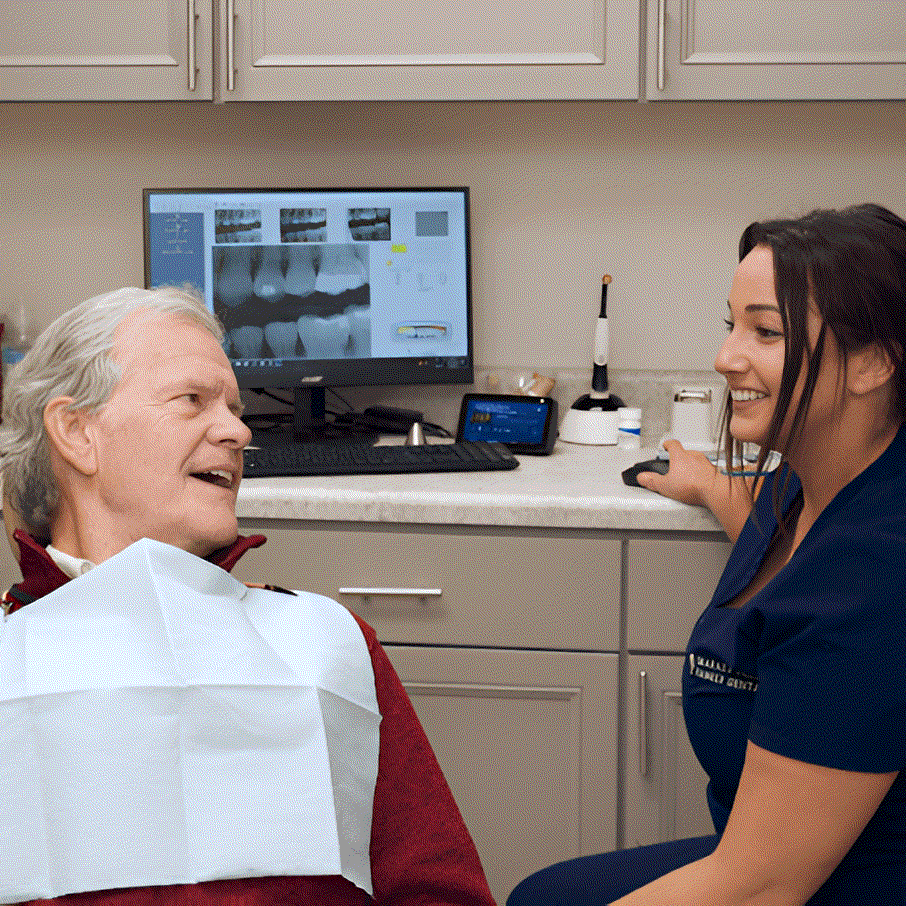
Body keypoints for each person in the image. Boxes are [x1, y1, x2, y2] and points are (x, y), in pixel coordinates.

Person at [0, 285, 496, 906]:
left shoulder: (325, 644)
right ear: (77, 433)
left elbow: (437, 893)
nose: (237, 431)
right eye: (192, 400)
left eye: (234, 409)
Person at [508, 203, 906, 905]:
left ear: (874, 362)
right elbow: (794, 570)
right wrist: (718, 491)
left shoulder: (874, 576)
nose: (726, 358)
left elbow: (761, 887)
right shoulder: (816, 478)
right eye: (732, 326)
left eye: (767, 332)